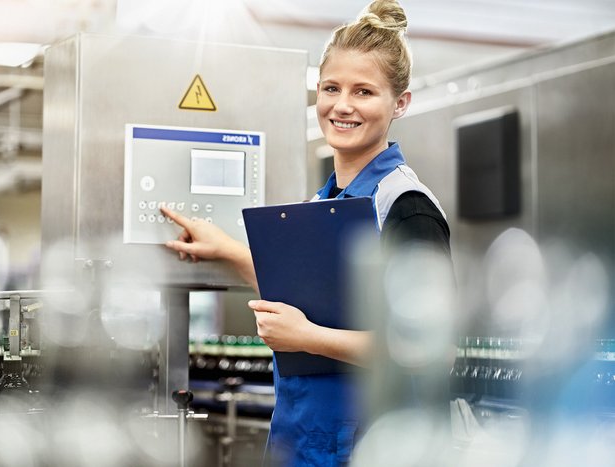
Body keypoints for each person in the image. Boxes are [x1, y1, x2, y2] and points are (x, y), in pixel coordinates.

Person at [161, 0, 451, 464]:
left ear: (400, 103)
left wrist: (308, 337)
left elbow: (428, 351)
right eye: (331, 88)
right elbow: (312, 299)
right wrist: (227, 250)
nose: (341, 106)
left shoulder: (406, 207)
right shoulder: (324, 203)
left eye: (364, 92)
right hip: (301, 440)